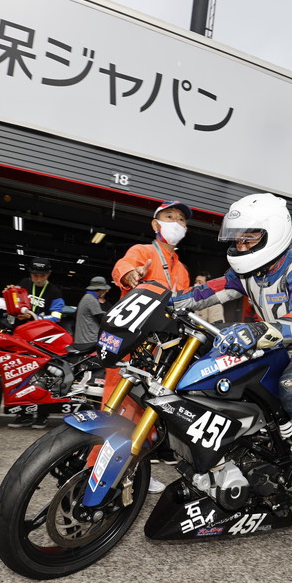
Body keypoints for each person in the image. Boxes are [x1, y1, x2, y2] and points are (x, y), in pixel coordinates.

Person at [171, 193, 292, 498]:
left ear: (274, 234)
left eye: (249, 239)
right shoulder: (246, 271)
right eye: (237, 240)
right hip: (273, 346)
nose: (241, 247)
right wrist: (171, 302)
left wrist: (258, 329)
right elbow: (209, 291)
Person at [110, 200, 193, 493]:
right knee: (117, 413)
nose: (176, 223)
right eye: (169, 216)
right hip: (130, 344)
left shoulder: (181, 269)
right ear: (156, 224)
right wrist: (130, 274)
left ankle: (133, 471)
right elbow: (123, 266)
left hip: (160, 350)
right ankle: (98, 472)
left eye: (181, 219)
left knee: (147, 413)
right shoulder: (143, 251)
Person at [15, 257, 64, 322]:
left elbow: (56, 317)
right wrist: (9, 292)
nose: (39, 280)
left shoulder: (55, 292)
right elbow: (14, 302)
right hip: (19, 325)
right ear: (30, 273)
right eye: (35, 275)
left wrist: (33, 317)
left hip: (39, 327)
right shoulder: (24, 283)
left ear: (49, 273)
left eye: (43, 276)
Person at [74, 275, 111, 344]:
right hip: (89, 340)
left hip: (82, 340)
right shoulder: (91, 299)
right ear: (100, 289)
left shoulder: (86, 297)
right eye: (104, 290)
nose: (106, 291)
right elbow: (101, 319)